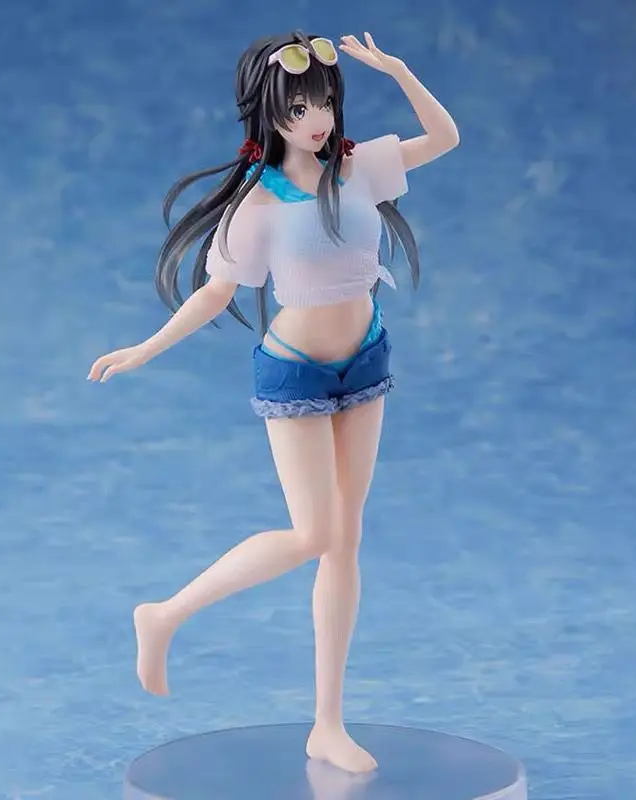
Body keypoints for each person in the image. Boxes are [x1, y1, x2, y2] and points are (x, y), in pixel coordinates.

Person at [88, 30, 459, 773]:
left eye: (324, 102)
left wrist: (397, 70)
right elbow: (215, 291)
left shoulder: (358, 167)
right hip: (296, 373)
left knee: (345, 540)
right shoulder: (257, 204)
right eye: (298, 108)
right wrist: (146, 348)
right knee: (312, 534)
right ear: (271, 114)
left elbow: (444, 137)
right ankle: (165, 615)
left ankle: (328, 722)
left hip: (366, 360)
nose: (316, 119)